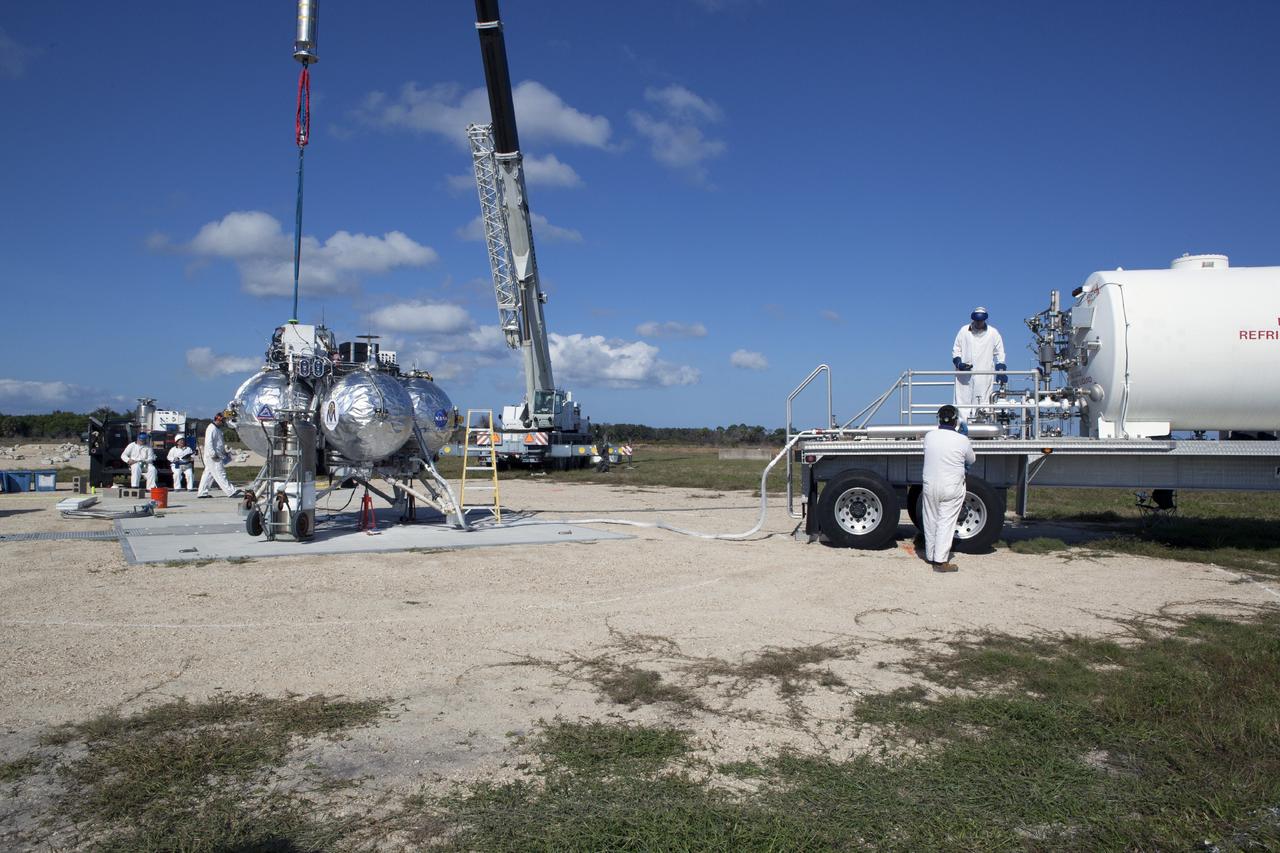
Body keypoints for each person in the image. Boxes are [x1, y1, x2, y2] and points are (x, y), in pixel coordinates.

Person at [921, 404, 975, 572]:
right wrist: (963, 437)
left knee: (930, 519)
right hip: (951, 486)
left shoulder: (929, 436)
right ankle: (940, 561)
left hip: (930, 485)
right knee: (946, 522)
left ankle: (930, 555)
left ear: (939, 419)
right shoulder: (962, 440)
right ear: (956, 421)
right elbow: (971, 459)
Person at [952, 306, 1007, 420]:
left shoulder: (993, 333)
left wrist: (1000, 370)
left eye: (981, 321)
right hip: (964, 375)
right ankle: (962, 425)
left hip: (984, 372)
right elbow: (956, 349)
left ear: (984, 320)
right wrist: (959, 363)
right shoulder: (964, 331)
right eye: (977, 321)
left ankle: (982, 425)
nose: (978, 323)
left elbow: (1000, 352)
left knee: (983, 400)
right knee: (963, 400)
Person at [196, 412, 238, 498]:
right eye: (223, 421)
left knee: (208, 474)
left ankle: (202, 492)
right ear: (218, 420)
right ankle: (231, 491)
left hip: (217, 455)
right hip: (213, 456)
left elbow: (219, 443)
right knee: (220, 473)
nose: (224, 423)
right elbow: (209, 443)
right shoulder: (211, 428)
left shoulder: (218, 429)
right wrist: (213, 454)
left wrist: (224, 452)